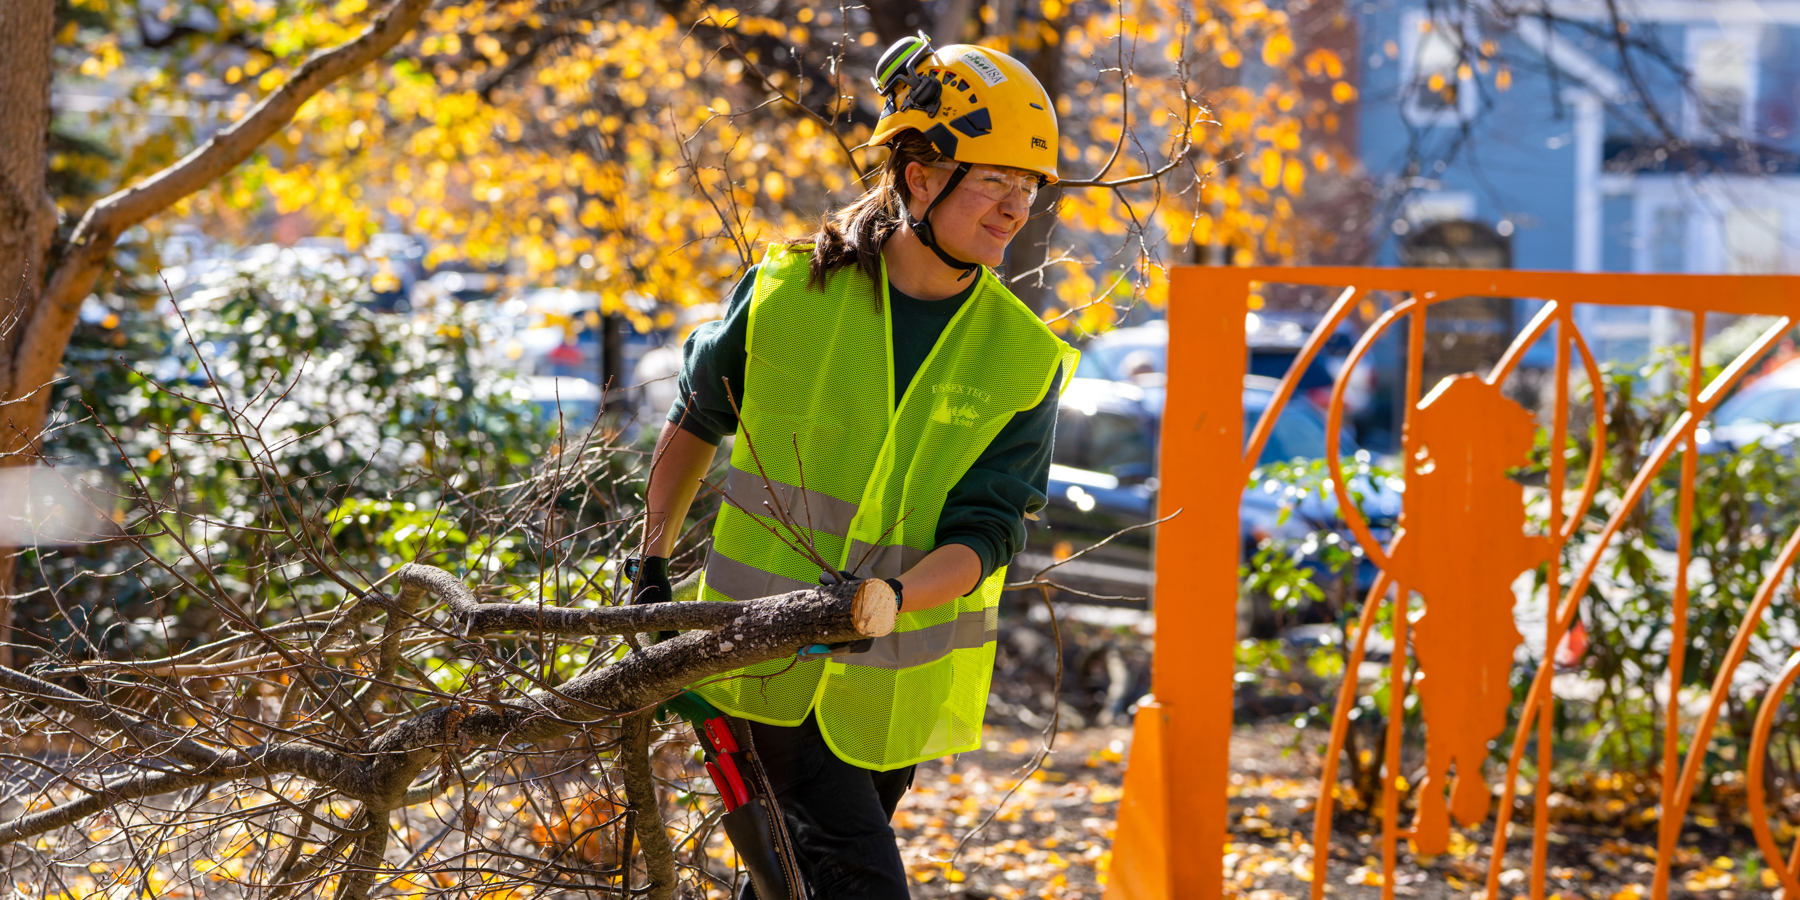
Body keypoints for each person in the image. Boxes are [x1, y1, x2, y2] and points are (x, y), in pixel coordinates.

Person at [626, 37, 1075, 899]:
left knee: (786, 886)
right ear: (919, 177)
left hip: (888, 700)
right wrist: (649, 564)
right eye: (994, 183)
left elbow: (985, 535)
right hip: (762, 663)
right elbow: (696, 417)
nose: (1014, 210)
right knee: (860, 886)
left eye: (1027, 191)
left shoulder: (1022, 358)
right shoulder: (793, 292)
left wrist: (890, 602)